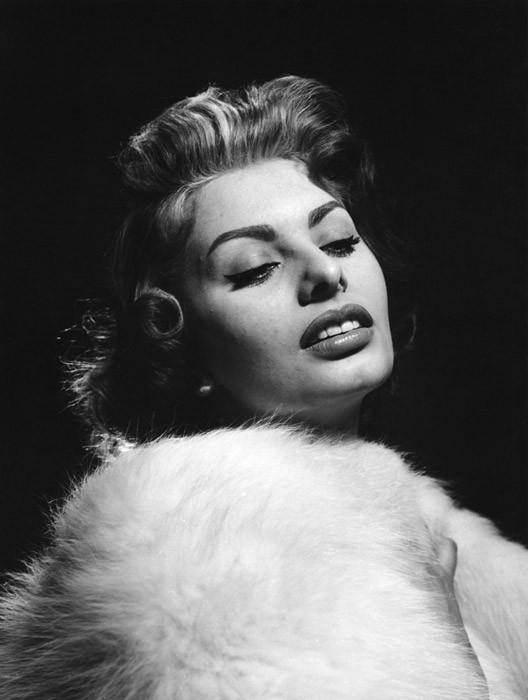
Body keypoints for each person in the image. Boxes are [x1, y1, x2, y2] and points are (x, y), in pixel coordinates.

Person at [0, 76, 526, 699]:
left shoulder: (444, 540)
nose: (326, 272)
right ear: (176, 338)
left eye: (340, 240)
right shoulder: (179, 547)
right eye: (256, 269)